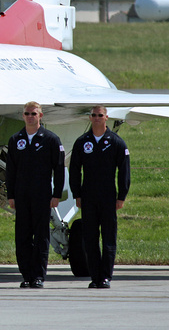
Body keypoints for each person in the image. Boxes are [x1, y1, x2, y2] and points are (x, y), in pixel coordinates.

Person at [69, 105, 131, 289]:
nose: (97, 118)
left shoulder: (116, 142)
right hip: (88, 197)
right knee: (90, 238)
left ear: (107, 118)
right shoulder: (82, 142)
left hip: (108, 197)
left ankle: (105, 276)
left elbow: (124, 171)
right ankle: (94, 276)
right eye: (94, 115)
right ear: (90, 118)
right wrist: (77, 194)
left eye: (100, 115)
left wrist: (121, 196)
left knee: (108, 238)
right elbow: (74, 170)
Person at [5, 101, 65, 289]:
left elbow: (59, 169)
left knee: (41, 237)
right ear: (22, 116)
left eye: (34, 113)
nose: (30, 116)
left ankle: (38, 275)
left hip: (42, 196)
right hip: (22, 196)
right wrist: (11, 195)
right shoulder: (16, 140)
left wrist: (56, 194)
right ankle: (26, 275)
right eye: (27, 113)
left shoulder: (51, 139)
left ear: (41, 116)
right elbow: (10, 170)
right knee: (22, 237)